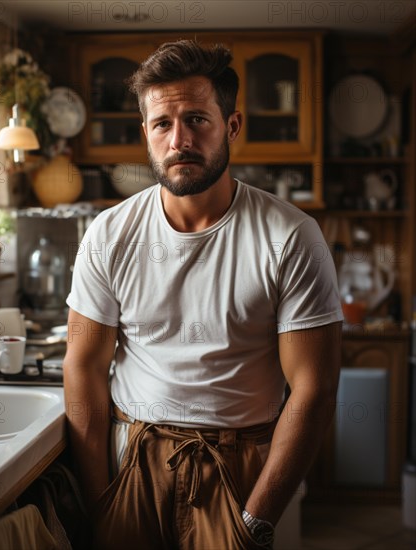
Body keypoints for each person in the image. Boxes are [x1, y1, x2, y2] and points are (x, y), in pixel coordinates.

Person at [63, 39, 343, 549]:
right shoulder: (109, 234)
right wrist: (101, 496)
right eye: (162, 124)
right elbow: (82, 365)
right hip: (135, 461)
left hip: (240, 469)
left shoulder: (292, 236)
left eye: (197, 119)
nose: (179, 140)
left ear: (231, 126)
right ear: (146, 133)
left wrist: (257, 518)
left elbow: (315, 388)